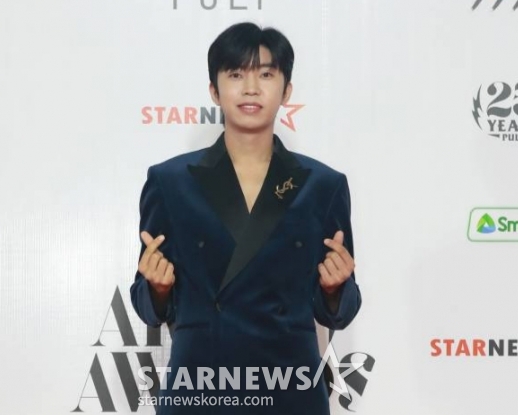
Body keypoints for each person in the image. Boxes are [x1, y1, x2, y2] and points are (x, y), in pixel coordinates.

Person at [130, 21, 362, 415]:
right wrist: (158, 289)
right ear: (214, 90)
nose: (251, 88)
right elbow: (146, 305)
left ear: (286, 91)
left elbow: (340, 309)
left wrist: (334, 289)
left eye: (266, 75)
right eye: (236, 74)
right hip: (201, 388)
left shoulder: (323, 185)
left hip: (290, 390)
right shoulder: (170, 182)